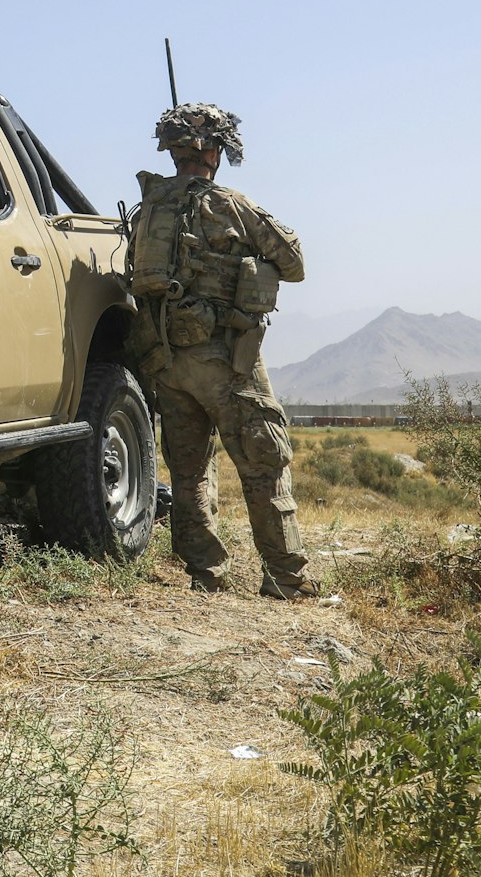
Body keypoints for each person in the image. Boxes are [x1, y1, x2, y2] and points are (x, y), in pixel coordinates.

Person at [127, 103, 316, 600]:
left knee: (188, 471)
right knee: (264, 461)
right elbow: (293, 263)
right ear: (213, 149)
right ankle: (287, 578)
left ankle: (206, 574)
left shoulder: (146, 209)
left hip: (166, 359)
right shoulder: (229, 204)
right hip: (227, 358)